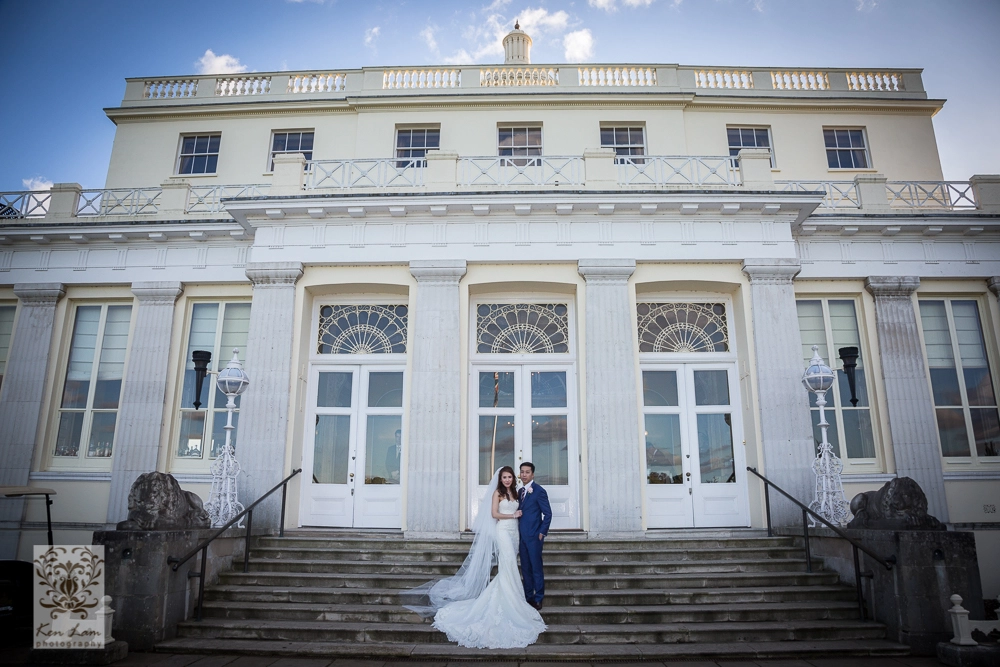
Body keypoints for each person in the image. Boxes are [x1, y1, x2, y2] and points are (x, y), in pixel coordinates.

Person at [401, 466, 546, 649]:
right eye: (504, 477)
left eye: (509, 477)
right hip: (503, 531)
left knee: (510, 565)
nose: (507, 480)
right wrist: (512, 515)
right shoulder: (497, 494)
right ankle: (510, 598)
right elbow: (494, 514)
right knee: (507, 563)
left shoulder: (517, 493)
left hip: (515, 533)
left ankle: (516, 596)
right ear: (500, 479)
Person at [517, 461, 551, 609]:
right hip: (522, 536)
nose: (524, 475)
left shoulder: (539, 491)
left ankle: (539, 597)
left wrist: (541, 532)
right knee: (525, 568)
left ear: (532, 474)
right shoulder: (519, 492)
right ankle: (528, 596)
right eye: (522, 472)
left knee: (536, 568)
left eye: (527, 472)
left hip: (534, 537)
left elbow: (548, 514)